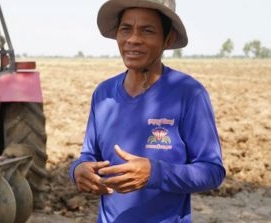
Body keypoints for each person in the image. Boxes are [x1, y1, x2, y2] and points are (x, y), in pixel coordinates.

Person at [69, 0, 226, 222]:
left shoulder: (189, 94)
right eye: (126, 29)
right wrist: (78, 170)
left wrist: (154, 173)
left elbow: (212, 171)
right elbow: (89, 154)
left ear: (168, 39)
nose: (133, 39)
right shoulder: (103, 94)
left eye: (147, 30)